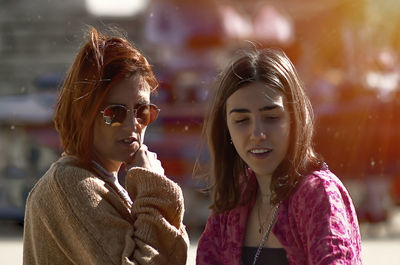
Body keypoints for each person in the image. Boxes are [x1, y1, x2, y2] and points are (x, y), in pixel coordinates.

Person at [23, 27, 189, 265]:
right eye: (114, 113)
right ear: (84, 114)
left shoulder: (100, 181)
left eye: (142, 111)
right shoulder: (72, 184)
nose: (132, 124)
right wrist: (153, 187)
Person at [196, 48, 362, 264]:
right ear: (225, 128)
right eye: (241, 121)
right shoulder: (235, 200)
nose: (257, 134)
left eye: (271, 117)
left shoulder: (317, 194)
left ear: (294, 119)